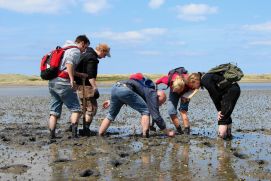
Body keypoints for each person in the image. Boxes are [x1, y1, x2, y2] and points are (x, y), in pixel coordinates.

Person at [98, 76, 175, 137]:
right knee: (145, 111)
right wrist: (167, 132)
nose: (160, 105)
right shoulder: (152, 93)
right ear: (158, 96)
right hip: (125, 90)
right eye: (161, 102)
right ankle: (145, 135)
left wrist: (111, 101)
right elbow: (156, 116)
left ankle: (100, 134)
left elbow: (123, 90)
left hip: (116, 87)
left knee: (111, 115)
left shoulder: (145, 88)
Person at [48, 35, 90, 139]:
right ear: (82, 43)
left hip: (53, 82)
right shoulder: (75, 51)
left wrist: (80, 75)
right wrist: (72, 79)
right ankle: (74, 135)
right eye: (85, 47)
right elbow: (69, 64)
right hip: (63, 82)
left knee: (54, 111)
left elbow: (65, 68)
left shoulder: (64, 49)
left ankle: (51, 135)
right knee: (76, 109)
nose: (84, 51)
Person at [74, 43, 111, 136]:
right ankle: (86, 130)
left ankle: (73, 126)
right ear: (102, 51)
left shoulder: (85, 52)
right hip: (86, 85)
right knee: (92, 108)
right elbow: (91, 75)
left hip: (79, 85)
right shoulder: (92, 58)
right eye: (105, 55)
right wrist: (95, 88)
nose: (104, 57)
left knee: (83, 107)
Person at [201, 72, 240, 139]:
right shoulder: (209, 76)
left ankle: (221, 139)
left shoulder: (205, 79)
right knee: (226, 114)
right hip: (234, 88)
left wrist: (219, 110)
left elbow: (214, 95)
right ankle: (228, 135)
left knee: (222, 117)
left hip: (230, 91)